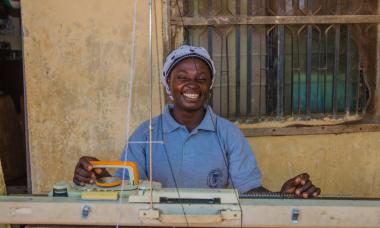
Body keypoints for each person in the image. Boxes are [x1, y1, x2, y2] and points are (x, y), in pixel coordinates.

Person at [73, 45, 321, 198]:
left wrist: (281, 196)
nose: (192, 84)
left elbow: (249, 192)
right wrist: (97, 175)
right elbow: (121, 190)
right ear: (168, 85)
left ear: (209, 87)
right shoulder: (146, 133)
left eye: (201, 78)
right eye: (182, 77)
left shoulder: (228, 134)